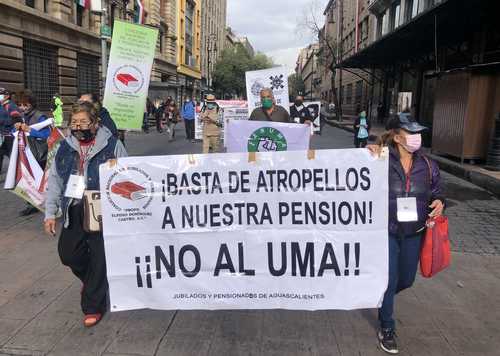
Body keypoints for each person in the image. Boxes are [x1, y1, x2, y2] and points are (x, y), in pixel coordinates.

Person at [44, 101, 127, 328]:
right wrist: (50, 213)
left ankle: (93, 306)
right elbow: (55, 180)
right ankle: (93, 282)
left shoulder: (112, 144)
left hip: (102, 208)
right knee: (68, 254)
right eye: (75, 123)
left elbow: (126, 174)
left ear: (95, 123)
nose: (78, 127)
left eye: (84, 122)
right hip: (73, 207)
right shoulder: (63, 147)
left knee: (100, 257)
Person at [370, 114, 445, 354]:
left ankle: (383, 297)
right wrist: (366, 153)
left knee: (406, 280)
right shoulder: (379, 158)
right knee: (391, 279)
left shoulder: (428, 164)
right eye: (410, 132)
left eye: (417, 132)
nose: (415, 137)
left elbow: (437, 192)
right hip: (386, 231)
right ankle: (387, 326)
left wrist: (440, 201)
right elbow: (358, 178)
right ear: (396, 135)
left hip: (415, 231)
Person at [16, 90, 51, 216]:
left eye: (25, 105)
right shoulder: (24, 116)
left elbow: (47, 135)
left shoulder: (39, 116)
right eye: (20, 104)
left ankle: (44, 203)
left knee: (39, 180)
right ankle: (32, 204)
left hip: (39, 153)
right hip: (28, 152)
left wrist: (30, 130)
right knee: (29, 180)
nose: (22, 107)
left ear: (32, 104)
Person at [0, 88, 22, 174]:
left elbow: (17, 119)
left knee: (12, 155)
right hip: (1, 135)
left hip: (9, 136)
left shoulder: (11, 106)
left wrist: (2, 122)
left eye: (1, 94)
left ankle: (18, 174)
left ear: (7, 96)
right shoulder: (1, 105)